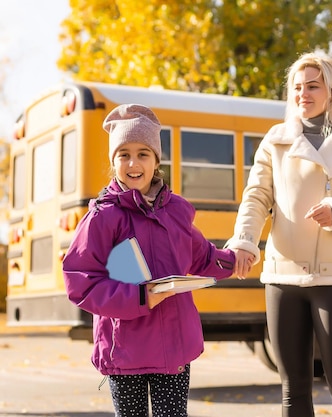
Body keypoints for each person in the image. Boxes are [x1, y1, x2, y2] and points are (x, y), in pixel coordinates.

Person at [226, 52, 332, 417]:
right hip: (281, 275)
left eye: (312, 86)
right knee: (293, 388)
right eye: (297, 87)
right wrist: (245, 240)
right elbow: (257, 196)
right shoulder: (276, 140)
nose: (303, 93)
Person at [62, 104, 235, 417]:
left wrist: (235, 260)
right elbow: (80, 282)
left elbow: (203, 256)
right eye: (123, 154)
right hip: (125, 351)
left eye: (143, 153)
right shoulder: (102, 217)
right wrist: (141, 295)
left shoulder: (178, 211)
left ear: (157, 160)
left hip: (175, 348)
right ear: (113, 161)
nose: (133, 162)